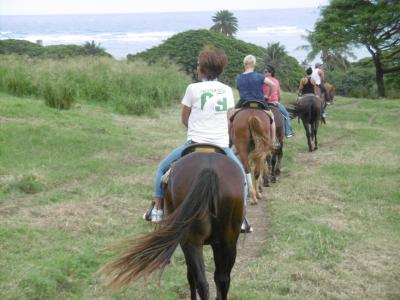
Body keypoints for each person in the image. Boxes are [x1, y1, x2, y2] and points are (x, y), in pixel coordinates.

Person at [144, 47, 253, 233]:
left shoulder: (192, 88)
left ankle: (158, 210)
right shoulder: (227, 90)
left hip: (194, 143)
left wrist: (197, 128)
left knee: (162, 168)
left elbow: (185, 119)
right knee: (241, 176)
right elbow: (230, 120)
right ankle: (241, 217)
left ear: (201, 69)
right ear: (220, 70)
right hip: (220, 145)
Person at [236, 55, 279, 148]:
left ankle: (232, 142)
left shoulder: (239, 78)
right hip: (260, 103)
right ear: (254, 64)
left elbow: (240, 91)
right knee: (272, 118)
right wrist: (268, 96)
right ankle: (273, 141)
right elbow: (273, 85)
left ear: (244, 64)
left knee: (231, 117)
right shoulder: (260, 76)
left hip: (244, 102)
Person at [263, 65, 294, 138]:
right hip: (274, 102)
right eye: (264, 71)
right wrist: (278, 101)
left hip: (264, 102)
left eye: (265, 71)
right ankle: (288, 132)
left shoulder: (263, 80)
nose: (264, 73)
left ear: (270, 73)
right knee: (286, 114)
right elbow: (279, 94)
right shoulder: (276, 81)